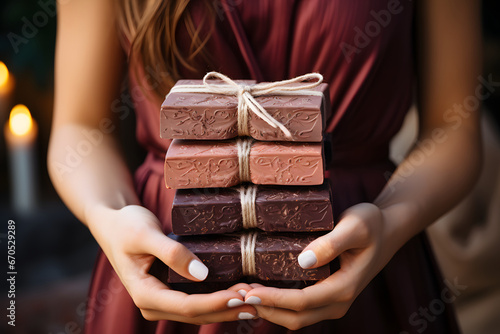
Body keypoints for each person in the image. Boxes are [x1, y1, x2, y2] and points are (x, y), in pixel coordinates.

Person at [48, 0, 482, 332]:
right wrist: (111, 215)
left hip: (361, 256)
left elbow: (454, 129)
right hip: (172, 251)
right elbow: (79, 127)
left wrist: (390, 221)